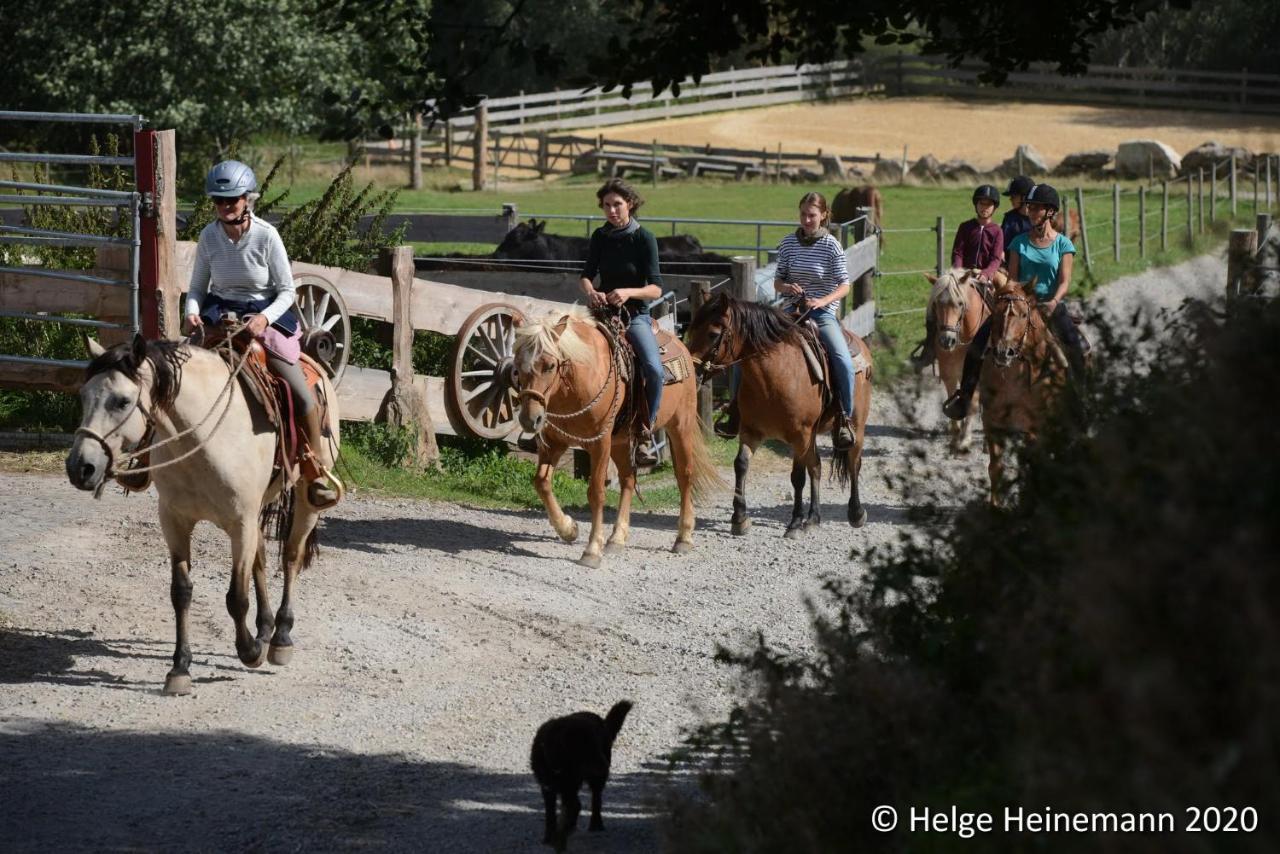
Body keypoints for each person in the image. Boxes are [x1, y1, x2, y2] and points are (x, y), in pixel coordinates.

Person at [185, 160, 340, 508]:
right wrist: (192, 313)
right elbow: (197, 287)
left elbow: (287, 291)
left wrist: (264, 320)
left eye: (233, 200)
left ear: (247, 200)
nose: (225, 206)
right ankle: (155, 459)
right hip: (219, 315)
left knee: (300, 392)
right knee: (176, 371)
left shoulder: (267, 236)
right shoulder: (209, 236)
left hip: (265, 315)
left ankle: (313, 466)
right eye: (219, 201)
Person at [715, 192, 857, 450]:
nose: (807, 220)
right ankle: (735, 411)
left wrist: (822, 302)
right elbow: (777, 281)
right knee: (744, 352)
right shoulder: (788, 243)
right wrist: (786, 287)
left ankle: (844, 418)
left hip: (821, 314)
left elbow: (845, 285)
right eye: (803, 214)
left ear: (823, 215)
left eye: (812, 215)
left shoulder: (831, 245)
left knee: (843, 360)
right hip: (789, 312)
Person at [942, 183, 1087, 420]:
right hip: (1019, 303)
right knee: (978, 345)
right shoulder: (1018, 242)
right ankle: (964, 398)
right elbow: (1012, 278)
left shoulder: (1063, 244)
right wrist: (1012, 298)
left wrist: (1054, 301)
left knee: (1077, 348)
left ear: (1050, 211)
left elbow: (1064, 282)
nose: (1030, 212)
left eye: (1036, 208)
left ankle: (1081, 401)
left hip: (1050, 304)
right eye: (1029, 208)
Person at [579, 178, 666, 467]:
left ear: (630, 204)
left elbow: (656, 289)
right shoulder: (600, 237)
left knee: (654, 369)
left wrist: (628, 292)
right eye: (607, 205)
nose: (612, 210)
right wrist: (592, 291)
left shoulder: (645, 238)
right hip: (601, 312)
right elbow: (586, 275)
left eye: (617, 204)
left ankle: (645, 431)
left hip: (634, 315)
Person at [910, 184, 1005, 371]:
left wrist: (986, 274)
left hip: (986, 277)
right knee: (936, 306)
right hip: (962, 277)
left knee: (999, 309)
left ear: (994, 207)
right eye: (981, 203)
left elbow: (995, 259)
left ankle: (997, 348)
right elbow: (958, 252)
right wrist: (958, 273)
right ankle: (929, 349)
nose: (984, 207)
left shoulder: (997, 231)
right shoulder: (966, 227)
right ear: (975, 205)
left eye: (988, 204)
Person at [1000, 175, 1034, 254]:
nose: (1010, 199)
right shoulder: (1009, 218)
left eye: (1014, 196)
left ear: (1025, 197)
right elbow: (1003, 244)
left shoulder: (1038, 220)